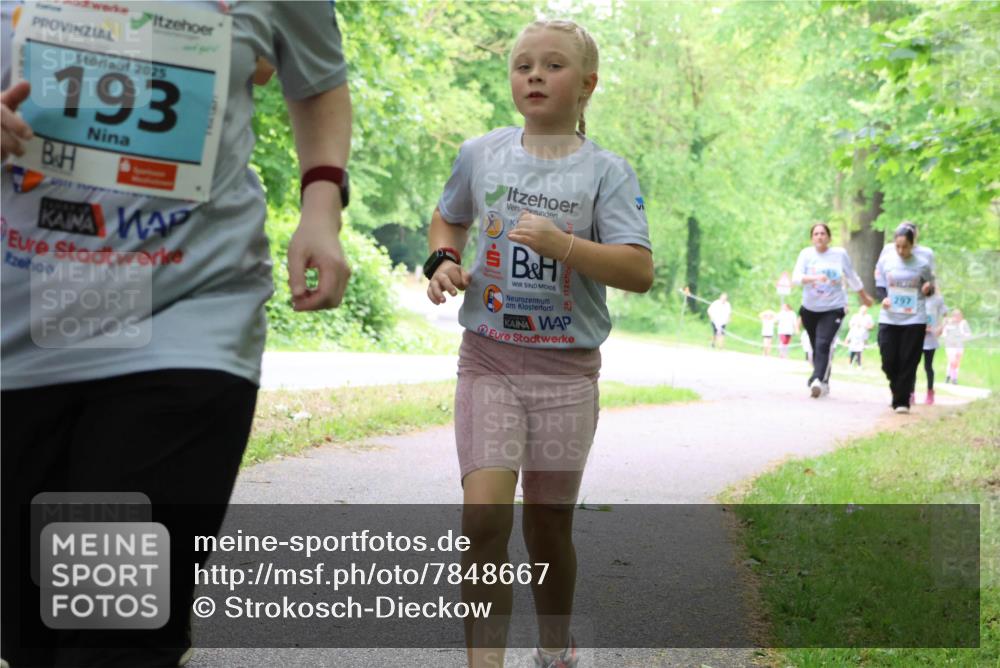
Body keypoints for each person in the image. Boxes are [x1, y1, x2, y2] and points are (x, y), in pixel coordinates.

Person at [1, 2, 352, 666]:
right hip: (18, 324)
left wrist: (321, 204)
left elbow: (320, 80)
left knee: (112, 628)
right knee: (31, 636)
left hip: (188, 307)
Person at [425, 18, 652, 668]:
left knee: (548, 529)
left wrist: (565, 247)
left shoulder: (607, 172)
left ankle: (556, 647)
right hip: (489, 361)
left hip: (566, 374)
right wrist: (443, 258)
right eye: (523, 64)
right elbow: (451, 214)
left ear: (587, 85)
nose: (534, 75)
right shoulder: (481, 154)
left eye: (553, 65)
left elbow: (638, 269)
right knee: (485, 522)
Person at [792, 222, 873, 398]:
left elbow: (851, 276)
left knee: (823, 343)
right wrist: (814, 278)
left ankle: (817, 379)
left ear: (829, 237)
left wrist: (863, 296)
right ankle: (824, 380)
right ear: (812, 238)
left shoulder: (839, 254)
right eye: (816, 234)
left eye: (823, 233)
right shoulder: (806, 255)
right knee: (816, 346)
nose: (820, 236)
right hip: (810, 308)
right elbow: (796, 278)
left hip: (834, 307)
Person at [875, 224, 936, 413]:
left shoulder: (922, 263)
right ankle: (898, 390)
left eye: (905, 247)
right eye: (898, 246)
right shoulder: (887, 261)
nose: (901, 250)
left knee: (909, 360)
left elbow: (930, 287)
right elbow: (880, 285)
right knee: (888, 361)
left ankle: (902, 401)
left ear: (912, 245)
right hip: (889, 318)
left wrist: (927, 289)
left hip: (914, 318)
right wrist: (883, 297)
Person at [921, 290, 947, 404]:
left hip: (930, 339)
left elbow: (946, 316)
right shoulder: (915, 296)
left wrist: (941, 327)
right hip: (915, 338)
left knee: (928, 367)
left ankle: (930, 392)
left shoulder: (937, 299)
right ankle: (910, 392)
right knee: (911, 367)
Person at [942, 308, 973, 385]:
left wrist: (963, 337)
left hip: (959, 346)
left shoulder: (963, 323)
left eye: (959, 315)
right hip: (950, 346)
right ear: (952, 316)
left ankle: (948, 376)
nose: (957, 317)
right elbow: (944, 334)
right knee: (952, 361)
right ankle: (954, 378)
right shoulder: (948, 322)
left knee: (956, 362)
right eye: (955, 315)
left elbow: (969, 334)